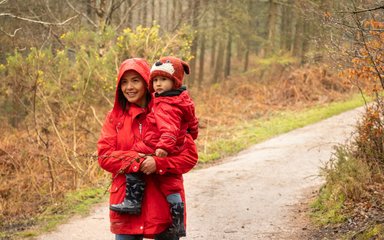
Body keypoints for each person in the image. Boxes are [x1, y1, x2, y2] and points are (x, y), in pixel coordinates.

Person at [97, 58, 198, 240]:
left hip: (161, 204)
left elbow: (189, 157)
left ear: (147, 82)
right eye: (124, 82)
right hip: (126, 204)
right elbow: (105, 156)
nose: (129, 87)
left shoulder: (169, 111)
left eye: (135, 80)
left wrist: (159, 163)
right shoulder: (114, 118)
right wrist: (139, 161)